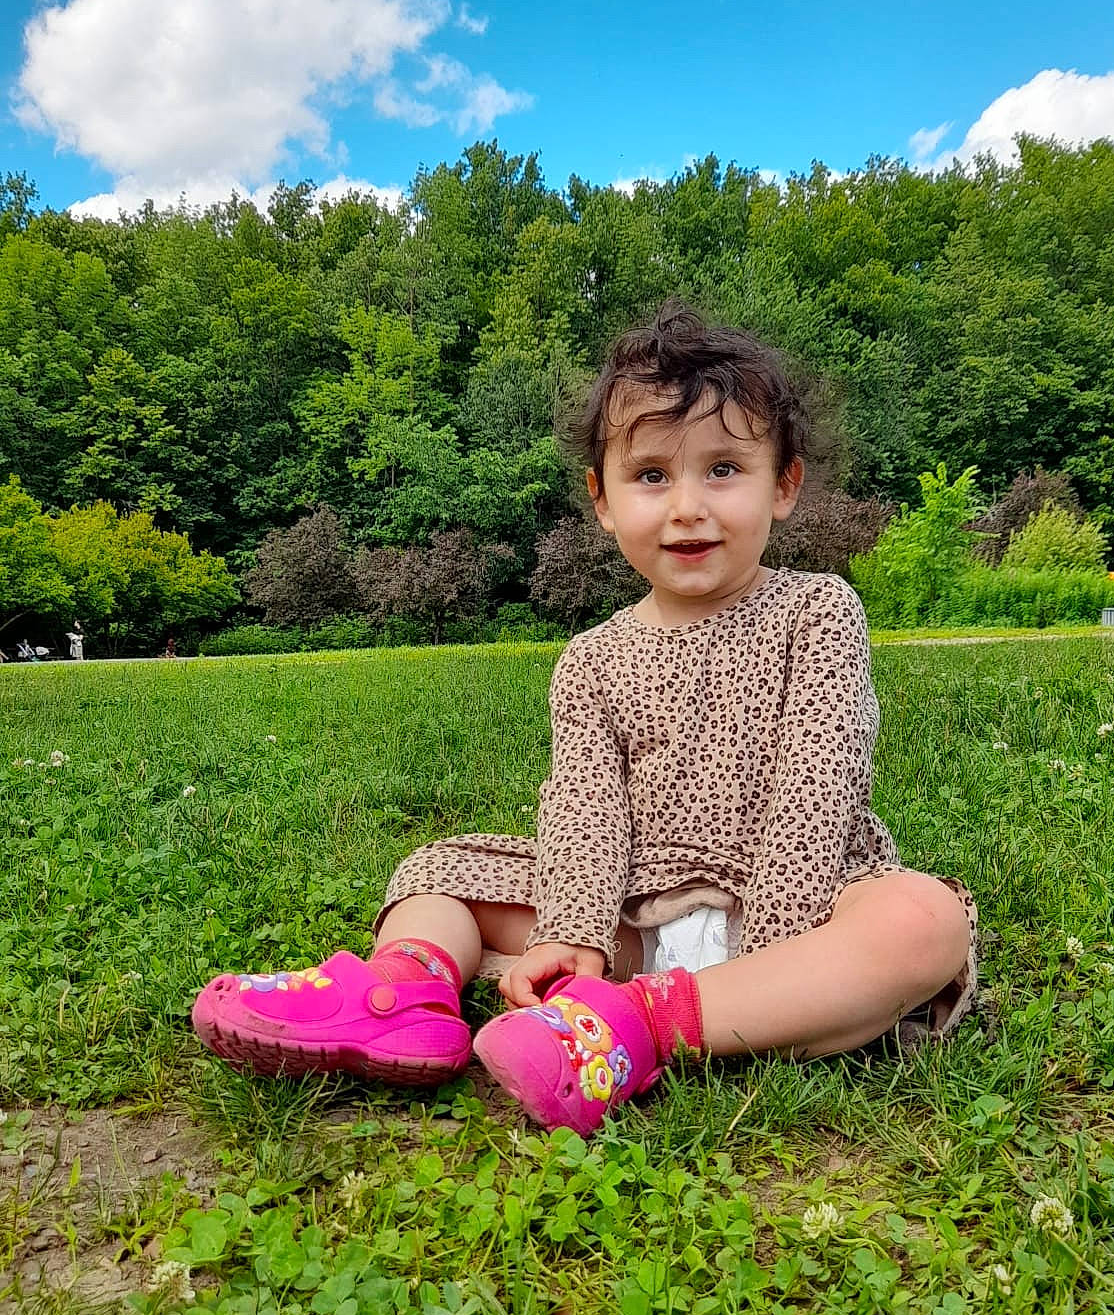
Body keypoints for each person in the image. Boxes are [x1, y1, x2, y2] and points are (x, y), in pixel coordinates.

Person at [192, 303, 978, 1134]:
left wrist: (777, 939)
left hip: (801, 908)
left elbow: (819, 779)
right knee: (437, 869)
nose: (686, 507)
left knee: (921, 920)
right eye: (650, 476)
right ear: (602, 502)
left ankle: (641, 1027)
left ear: (782, 485)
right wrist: (575, 934)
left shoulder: (816, 609)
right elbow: (584, 808)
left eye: (722, 470)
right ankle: (406, 992)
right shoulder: (591, 658)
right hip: (636, 912)